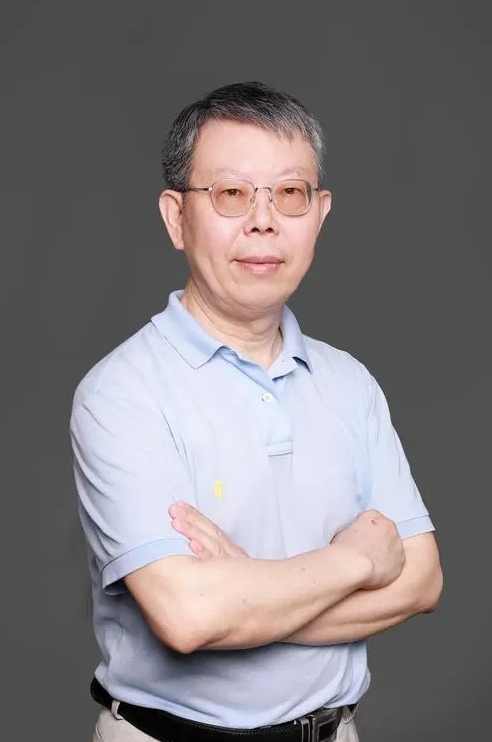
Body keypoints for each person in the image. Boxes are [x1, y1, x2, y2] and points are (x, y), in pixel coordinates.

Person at [70, 81, 443, 742]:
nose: (264, 220)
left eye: (290, 193)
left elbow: (421, 580)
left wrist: (242, 592)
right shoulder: (121, 394)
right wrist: (357, 563)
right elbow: (189, 617)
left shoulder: (349, 383)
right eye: (231, 194)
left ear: (320, 213)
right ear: (176, 218)